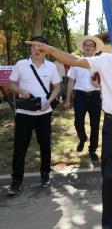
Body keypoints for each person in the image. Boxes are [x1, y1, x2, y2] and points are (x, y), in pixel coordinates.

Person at [26, 20, 112, 229]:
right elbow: (75, 61)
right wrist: (50, 49)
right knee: (108, 176)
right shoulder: (105, 60)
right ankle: (108, 221)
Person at [7, 36, 61, 196]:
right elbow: (10, 84)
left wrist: (50, 101)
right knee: (19, 147)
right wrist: (21, 91)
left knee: (45, 146)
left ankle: (45, 175)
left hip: (44, 113)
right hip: (24, 114)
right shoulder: (21, 65)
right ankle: (16, 180)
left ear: (46, 50)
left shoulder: (51, 67)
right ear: (30, 48)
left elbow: (58, 87)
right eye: (34, 47)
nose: (37, 50)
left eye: (41, 47)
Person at [65, 35, 104, 161]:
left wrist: (99, 86)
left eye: (90, 45)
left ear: (95, 49)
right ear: (83, 48)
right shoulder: (76, 62)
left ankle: (92, 150)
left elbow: (105, 82)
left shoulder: (99, 64)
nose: (88, 47)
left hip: (95, 97)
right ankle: (82, 138)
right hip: (80, 96)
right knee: (78, 121)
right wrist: (67, 100)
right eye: (86, 45)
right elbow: (70, 82)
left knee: (95, 125)